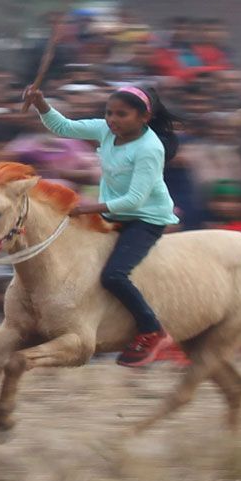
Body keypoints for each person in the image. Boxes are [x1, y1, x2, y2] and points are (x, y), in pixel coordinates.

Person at [23, 84, 181, 367]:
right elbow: (64, 127)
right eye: (109, 113)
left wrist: (88, 208)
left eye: (122, 114)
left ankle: (152, 329)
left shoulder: (149, 148)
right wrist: (41, 104)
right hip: (111, 211)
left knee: (113, 276)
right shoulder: (105, 131)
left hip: (145, 218)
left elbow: (134, 200)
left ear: (144, 117)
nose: (112, 120)